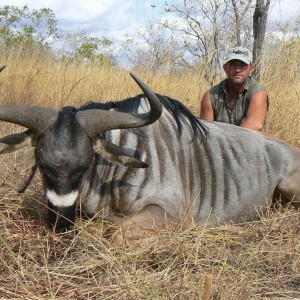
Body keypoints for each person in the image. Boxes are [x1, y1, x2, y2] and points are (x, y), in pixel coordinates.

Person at [200, 46, 268, 131]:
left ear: (251, 69)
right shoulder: (210, 96)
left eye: (243, 65)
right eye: (233, 65)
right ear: (225, 68)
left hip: (249, 143)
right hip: (218, 143)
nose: (237, 70)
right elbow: (206, 131)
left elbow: (253, 125)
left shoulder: (258, 93)